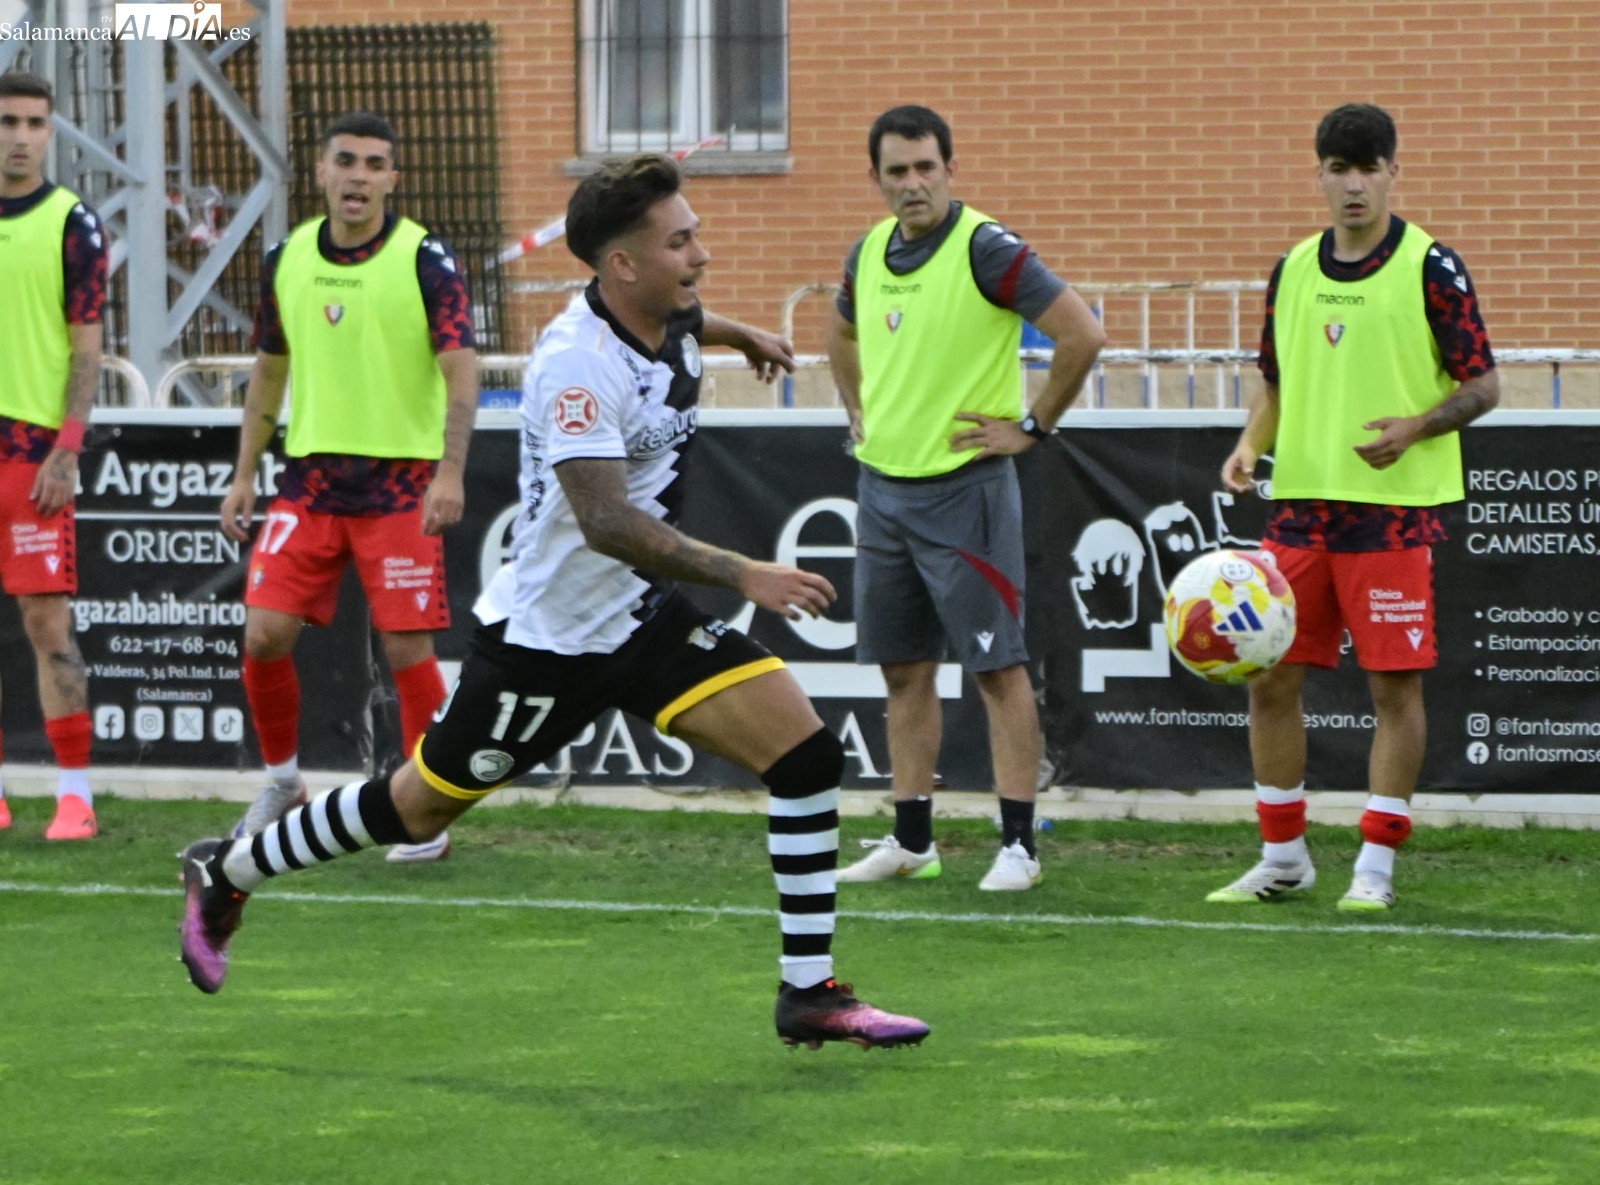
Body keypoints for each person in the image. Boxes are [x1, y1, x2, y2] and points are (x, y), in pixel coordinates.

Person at [179, 153, 929, 1050]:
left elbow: (690, 322)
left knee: (805, 759)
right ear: (623, 264)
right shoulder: (575, 365)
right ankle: (228, 870)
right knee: (417, 806)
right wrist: (743, 574)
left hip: (641, 620)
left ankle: (809, 994)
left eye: (695, 236)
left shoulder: (666, 310)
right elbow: (607, 522)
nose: (701, 255)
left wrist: (745, 337)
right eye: (680, 242)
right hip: (548, 645)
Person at [1211, 103, 1499, 912]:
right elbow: (1277, 383)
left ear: (1392, 172)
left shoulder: (1431, 265)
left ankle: (1375, 865)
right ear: (1320, 176)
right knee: (1269, 680)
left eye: (1369, 168)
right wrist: (1249, 443)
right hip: (1300, 511)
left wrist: (1417, 427)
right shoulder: (1293, 269)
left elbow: (1484, 384)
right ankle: (1282, 858)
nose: (1354, 185)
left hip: (1392, 516)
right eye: (1339, 169)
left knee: (1392, 692)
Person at [826, 105, 1105, 890]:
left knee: (997, 669)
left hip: (966, 492)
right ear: (876, 178)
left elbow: (1082, 334)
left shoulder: (987, 248)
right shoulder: (869, 252)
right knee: (903, 672)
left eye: (926, 167)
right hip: (883, 490)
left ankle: (1019, 845)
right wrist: (856, 409)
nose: (913, 183)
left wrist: (1032, 427)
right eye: (897, 171)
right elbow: (840, 334)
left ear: (950, 169)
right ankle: (912, 840)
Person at [220, 112, 478, 863]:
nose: (358, 176)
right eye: (345, 161)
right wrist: (243, 473)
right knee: (263, 634)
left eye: (373, 164)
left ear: (392, 178)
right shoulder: (287, 257)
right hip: (310, 483)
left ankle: (428, 812)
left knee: (405, 646)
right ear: (321, 171)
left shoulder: (425, 258)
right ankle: (282, 784)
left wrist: (450, 471)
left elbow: (461, 368)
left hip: (400, 484)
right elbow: (269, 368)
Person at [0, 72, 107, 841]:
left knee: (47, 624)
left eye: (35, 123)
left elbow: (87, 344)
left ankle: (75, 795)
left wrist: (67, 447)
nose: (20, 136)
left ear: (50, 131)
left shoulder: (73, 222)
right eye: (7, 121)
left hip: (31, 452)